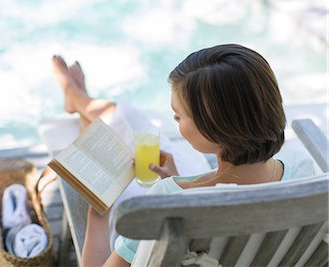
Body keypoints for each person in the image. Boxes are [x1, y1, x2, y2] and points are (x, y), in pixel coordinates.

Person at [51, 44, 314, 267]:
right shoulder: (301, 172)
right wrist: (184, 183)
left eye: (178, 115)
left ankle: (76, 100)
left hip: (178, 221)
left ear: (214, 127)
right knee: (129, 120)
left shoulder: (167, 199)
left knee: (123, 124)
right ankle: (78, 99)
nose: (174, 118)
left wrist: (97, 214)